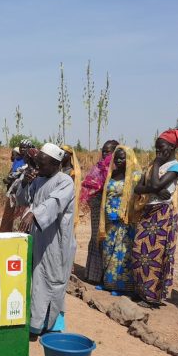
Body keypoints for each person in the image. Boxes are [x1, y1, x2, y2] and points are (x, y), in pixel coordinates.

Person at [16, 143, 76, 339]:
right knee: (37, 280)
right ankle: (35, 324)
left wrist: (34, 214)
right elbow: (23, 200)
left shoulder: (64, 181)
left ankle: (50, 325)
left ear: (55, 163)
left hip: (56, 241)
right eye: (37, 163)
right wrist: (25, 183)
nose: (38, 168)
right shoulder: (38, 180)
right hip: (39, 238)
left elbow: (55, 203)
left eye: (42, 164)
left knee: (52, 281)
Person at [131, 129, 178, 308]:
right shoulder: (152, 166)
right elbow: (138, 189)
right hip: (148, 212)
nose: (158, 152)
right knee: (139, 252)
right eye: (156, 150)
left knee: (156, 255)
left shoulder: (175, 167)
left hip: (162, 213)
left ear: (171, 147)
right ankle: (142, 291)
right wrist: (155, 188)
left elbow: (153, 184)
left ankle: (152, 297)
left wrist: (155, 173)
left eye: (161, 148)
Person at [97, 146, 142, 295]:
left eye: (122, 158)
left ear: (129, 158)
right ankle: (108, 282)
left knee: (122, 252)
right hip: (109, 220)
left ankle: (122, 286)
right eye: (116, 158)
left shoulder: (135, 176)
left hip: (125, 221)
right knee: (108, 250)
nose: (118, 161)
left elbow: (137, 198)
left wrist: (125, 213)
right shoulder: (112, 174)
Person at [81, 140, 119, 284]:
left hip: (112, 208)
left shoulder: (118, 168)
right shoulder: (98, 167)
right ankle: (94, 274)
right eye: (103, 150)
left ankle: (107, 275)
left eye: (108, 151)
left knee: (109, 239)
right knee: (96, 236)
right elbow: (88, 185)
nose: (104, 154)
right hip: (97, 205)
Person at [0, 140, 35, 232]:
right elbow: (12, 173)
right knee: (12, 221)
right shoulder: (18, 160)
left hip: (25, 199)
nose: (22, 149)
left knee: (22, 225)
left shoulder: (32, 165)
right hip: (15, 194)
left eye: (25, 147)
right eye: (21, 147)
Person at [60, 145, 82, 227]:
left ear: (70, 155)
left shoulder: (73, 172)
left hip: (68, 203)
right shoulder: (58, 170)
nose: (61, 155)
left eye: (63, 153)